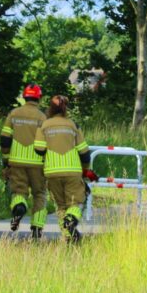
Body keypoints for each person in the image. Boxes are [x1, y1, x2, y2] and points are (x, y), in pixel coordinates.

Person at [34, 95, 97, 243]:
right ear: (65, 108)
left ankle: (68, 238)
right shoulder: (73, 125)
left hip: (52, 172)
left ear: (50, 108)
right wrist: (85, 170)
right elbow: (84, 153)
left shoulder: (44, 125)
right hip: (72, 171)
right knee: (76, 203)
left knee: (61, 206)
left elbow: (39, 149)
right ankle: (71, 220)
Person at [0, 84, 48, 239]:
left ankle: (19, 207)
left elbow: (5, 139)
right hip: (37, 163)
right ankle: (37, 228)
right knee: (39, 194)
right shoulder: (42, 117)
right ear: (39, 98)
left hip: (16, 161)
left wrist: (6, 160)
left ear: (25, 97)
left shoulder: (14, 114)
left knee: (19, 191)